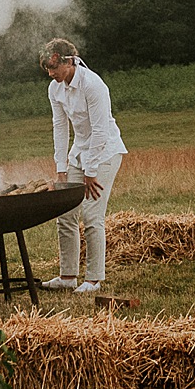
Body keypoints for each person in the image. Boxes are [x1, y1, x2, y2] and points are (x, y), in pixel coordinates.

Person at [41, 38, 127, 295]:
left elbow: (100, 131)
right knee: (65, 213)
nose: (50, 73)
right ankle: (67, 276)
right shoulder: (54, 89)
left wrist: (91, 173)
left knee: (91, 215)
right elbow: (60, 127)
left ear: (69, 61)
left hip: (105, 154)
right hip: (79, 153)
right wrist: (61, 167)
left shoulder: (93, 85)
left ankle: (94, 278)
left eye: (53, 67)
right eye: (47, 69)